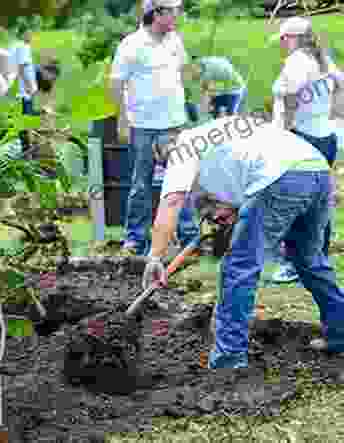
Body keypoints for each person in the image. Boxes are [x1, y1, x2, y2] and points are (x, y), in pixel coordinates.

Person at [143, 116, 344, 369]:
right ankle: (341, 334)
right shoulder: (218, 135)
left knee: (239, 266)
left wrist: (155, 257)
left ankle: (228, 360)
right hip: (317, 170)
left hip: (281, 176)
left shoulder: (183, 146)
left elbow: (171, 202)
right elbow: (252, 175)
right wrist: (233, 211)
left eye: (164, 162)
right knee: (309, 260)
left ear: (168, 150)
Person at [109, 0, 200, 255]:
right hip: (143, 126)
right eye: (173, 11)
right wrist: (122, 119)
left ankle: (189, 237)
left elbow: (183, 72)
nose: (178, 15)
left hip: (175, 125)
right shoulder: (132, 45)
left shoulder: (174, 41)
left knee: (182, 181)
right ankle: (135, 239)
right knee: (141, 184)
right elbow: (116, 84)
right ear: (157, 13)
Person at [269, 17, 342, 284]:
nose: (281, 44)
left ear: (293, 38)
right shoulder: (323, 59)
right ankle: (316, 257)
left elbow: (289, 96)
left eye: (283, 39)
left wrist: (285, 132)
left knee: (294, 202)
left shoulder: (299, 61)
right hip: (324, 138)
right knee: (318, 203)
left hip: (302, 140)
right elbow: (339, 86)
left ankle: (294, 263)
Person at [10, 25, 38, 116]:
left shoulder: (17, 44)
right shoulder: (23, 46)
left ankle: (28, 112)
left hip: (22, 75)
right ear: (22, 35)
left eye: (31, 34)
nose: (31, 36)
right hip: (25, 75)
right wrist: (27, 82)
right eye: (28, 34)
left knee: (26, 95)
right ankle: (28, 114)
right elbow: (21, 66)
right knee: (28, 93)